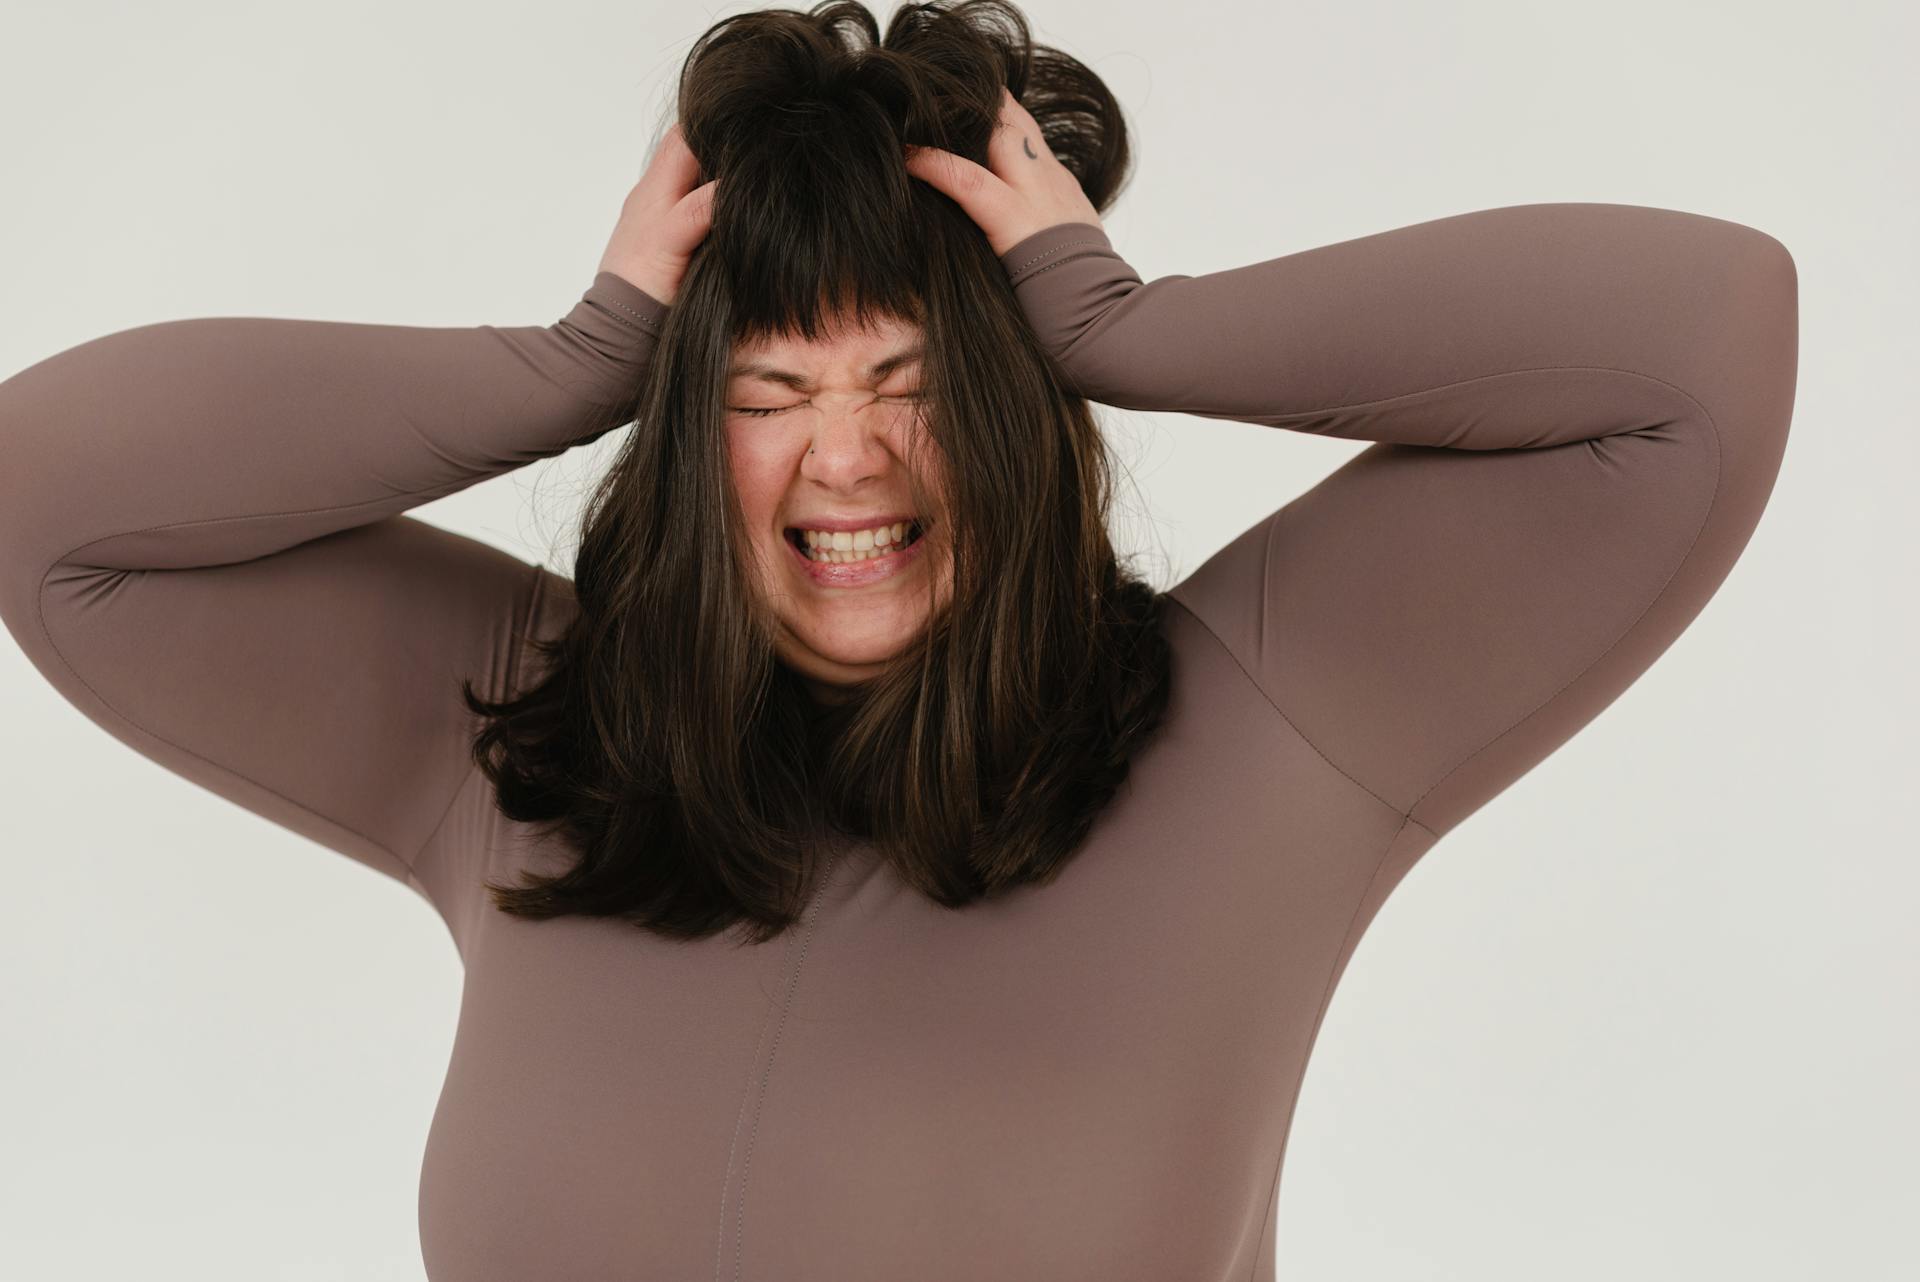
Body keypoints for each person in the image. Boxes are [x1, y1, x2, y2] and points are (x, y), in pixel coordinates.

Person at [0, 4, 1796, 1278]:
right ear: (691, 432)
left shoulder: (1265, 725)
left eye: (916, 384)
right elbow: (49, 499)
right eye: (770, 387)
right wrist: (573, 360)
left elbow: (1700, 346)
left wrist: (1128, 324)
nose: (845, 454)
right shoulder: (528, 743)